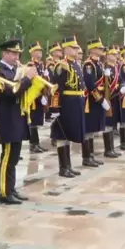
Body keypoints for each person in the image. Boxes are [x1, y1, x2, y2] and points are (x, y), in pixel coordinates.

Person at [0, 40, 36, 205]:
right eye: (13, 53)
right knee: (7, 157)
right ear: (4, 54)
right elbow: (11, 92)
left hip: (17, 117)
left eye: (18, 53)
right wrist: (27, 79)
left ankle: (11, 188)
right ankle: (4, 192)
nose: (16, 56)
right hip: (7, 119)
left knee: (15, 157)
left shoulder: (16, 70)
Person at [49, 36, 84, 178]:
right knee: (62, 135)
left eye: (77, 48)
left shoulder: (75, 64)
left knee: (68, 135)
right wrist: (55, 108)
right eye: (74, 48)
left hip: (75, 102)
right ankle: (63, 168)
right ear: (67, 49)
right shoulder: (61, 66)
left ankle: (68, 166)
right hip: (66, 103)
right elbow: (56, 89)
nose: (76, 50)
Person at [82, 38, 108, 167]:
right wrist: (101, 99)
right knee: (88, 129)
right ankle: (86, 157)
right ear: (92, 50)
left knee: (92, 130)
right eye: (99, 48)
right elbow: (90, 85)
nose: (102, 50)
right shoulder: (89, 65)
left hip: (97, 100)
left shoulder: (98, 64)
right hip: (91, 100)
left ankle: (91, 155)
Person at [27, 42, 48, 153]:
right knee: (33, 121)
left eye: (40, 51)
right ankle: (33, 144)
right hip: (34, 98)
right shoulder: (31, 65)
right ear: (33, 53)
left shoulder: (40, 65)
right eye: (38, 51)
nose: (40, 53)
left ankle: (36, 143)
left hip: (40, 97)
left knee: (37, 121)